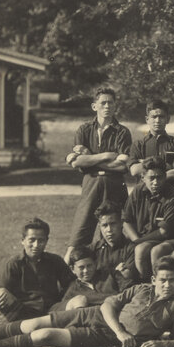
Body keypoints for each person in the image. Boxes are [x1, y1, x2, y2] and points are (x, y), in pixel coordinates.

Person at [0, 257, 174, 347]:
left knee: (44, 335)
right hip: (97, 315)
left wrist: (164, 345)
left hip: (102, 335)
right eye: (162, 280)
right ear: (154, 280)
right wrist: (120, 330)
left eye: (172, 280)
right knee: (34, 322)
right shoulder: (142, 289)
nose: (167, 285)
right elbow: (108, 305)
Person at [66, 87, 132, 254]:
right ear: (94, 106)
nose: (107, 106)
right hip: (91, 183)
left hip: (115, 184)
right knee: (80, 232)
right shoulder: (84, 130)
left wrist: (91, 159)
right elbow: (76, 162)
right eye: (103, 103)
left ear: (115, 106)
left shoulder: (122, 132)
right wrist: (106, 156)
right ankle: (69, 273)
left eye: (110, 103)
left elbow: (123, 166)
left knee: (113, 232)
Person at [0, 218, 74, 321]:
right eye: (32, 240)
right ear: (23, 241)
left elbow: (72, 284)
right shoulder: (14, 264)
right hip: (24, 313)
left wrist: (63, 300)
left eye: (41, 240)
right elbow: (1, 290)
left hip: (53, 310)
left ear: (47, 241)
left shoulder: (55, 260)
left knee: (79, 300)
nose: (36, 245)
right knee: (1, 292)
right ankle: (20, 327)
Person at [122, 156, 174, 280]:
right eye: (151, 178)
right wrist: (136, 239)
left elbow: (164, 231)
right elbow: (126, 220)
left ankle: (155, 283)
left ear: (165, 177)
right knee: (138, 250)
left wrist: (138, 242)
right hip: (142, 238)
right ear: (143, 178)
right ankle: (144, 282)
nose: (155, 182)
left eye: (159, 177)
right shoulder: (138, 191)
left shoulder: (173, 195)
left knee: (153, 250)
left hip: (170, 239)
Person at [128, 100, 174, 185]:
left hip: (168, 192)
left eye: (161, 117)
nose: (157, 120)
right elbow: (134, 170)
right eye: (154, 117)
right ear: (147, 119)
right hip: (143, 192)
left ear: (168, 119)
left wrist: (144, 163)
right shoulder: (138, 145)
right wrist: (167, 166)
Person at [89, 201, 138, 293]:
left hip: (121, 296)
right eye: (104, 225)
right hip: (96, 295)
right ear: (99, 226)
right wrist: (116, 271)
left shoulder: (131, 249)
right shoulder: (93, 249)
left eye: (113, 224)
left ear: (121, 223)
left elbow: (127, 278)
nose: (109, 230)